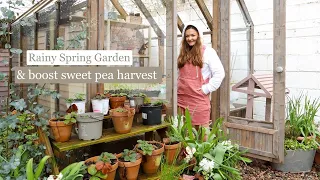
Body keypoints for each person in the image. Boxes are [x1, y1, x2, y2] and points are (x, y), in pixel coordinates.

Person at [177, 22, 225, 131]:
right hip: (182, 99)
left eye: (193, 35)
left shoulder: (208, 52)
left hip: (198, 99)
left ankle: (203, 149)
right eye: (187, 36)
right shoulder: (182, 53)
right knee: (184, 132)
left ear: (198, 35)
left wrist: (206, 89)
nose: (190, 38)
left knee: (203, 133)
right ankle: (186, 149)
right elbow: (178, 74)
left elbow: (220, 73)